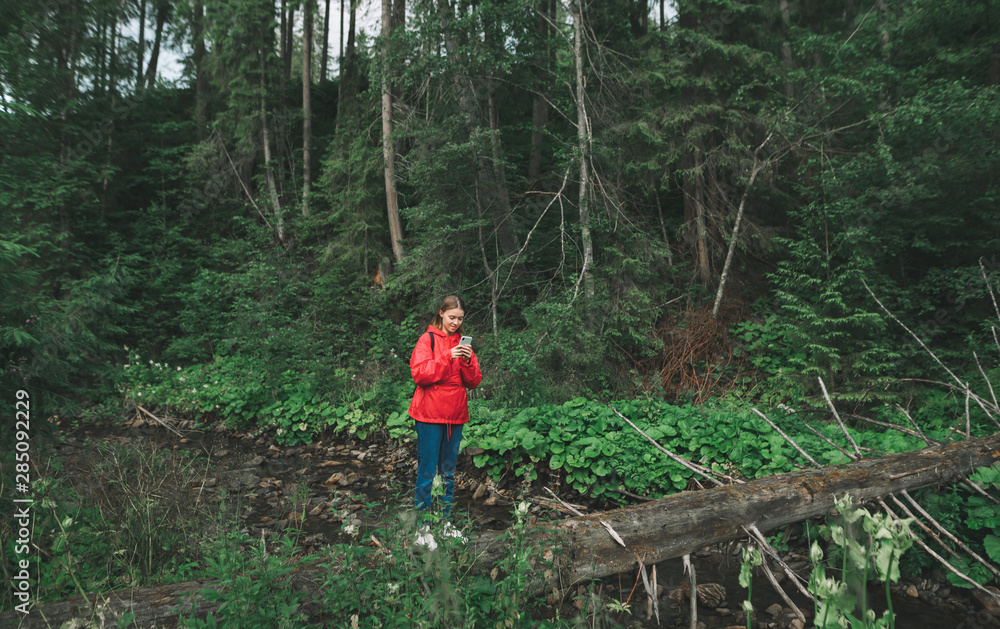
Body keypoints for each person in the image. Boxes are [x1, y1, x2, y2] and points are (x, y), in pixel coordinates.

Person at [408, 295, 482, 518]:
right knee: (427, 472)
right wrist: (447, 357)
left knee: (448, 472)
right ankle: (423, 525)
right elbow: (420, 374)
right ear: (441, 313)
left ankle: (444, 521)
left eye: (460, 319)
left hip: (455, 415)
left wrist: (467, 362)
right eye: (452, 317)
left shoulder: (462, 343)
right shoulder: (427, 340)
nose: (455, 323)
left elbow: (473, 382)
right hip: (429, 415)